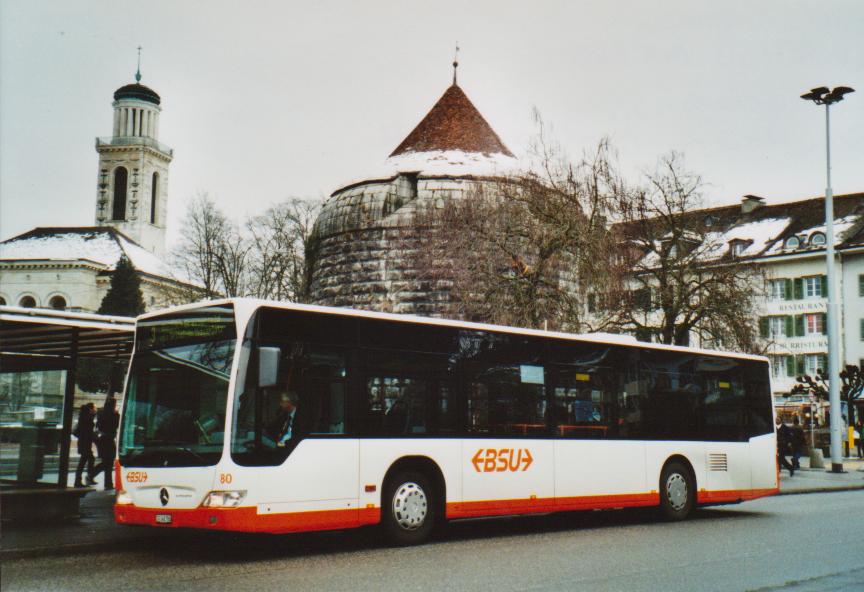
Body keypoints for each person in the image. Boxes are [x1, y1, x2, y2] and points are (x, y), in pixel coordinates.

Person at [92, 396, 119, 490]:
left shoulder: (101, 413)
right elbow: (116, 425)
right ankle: (107, 483)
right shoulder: (115, 415)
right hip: (109, 440)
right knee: (108, 462)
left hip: (103, 440)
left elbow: (98, 426)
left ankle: (107, 483)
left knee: (106, 462)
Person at [73, 403, 97, 488]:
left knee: (88, 459)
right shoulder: (86, 418)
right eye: (94, 408)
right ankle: (79, 480)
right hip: (85, 442)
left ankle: (86, 478)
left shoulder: (85, 416)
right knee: (84, 461)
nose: (95, 409)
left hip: (84, 442)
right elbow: (88, 431)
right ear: (90, 409)